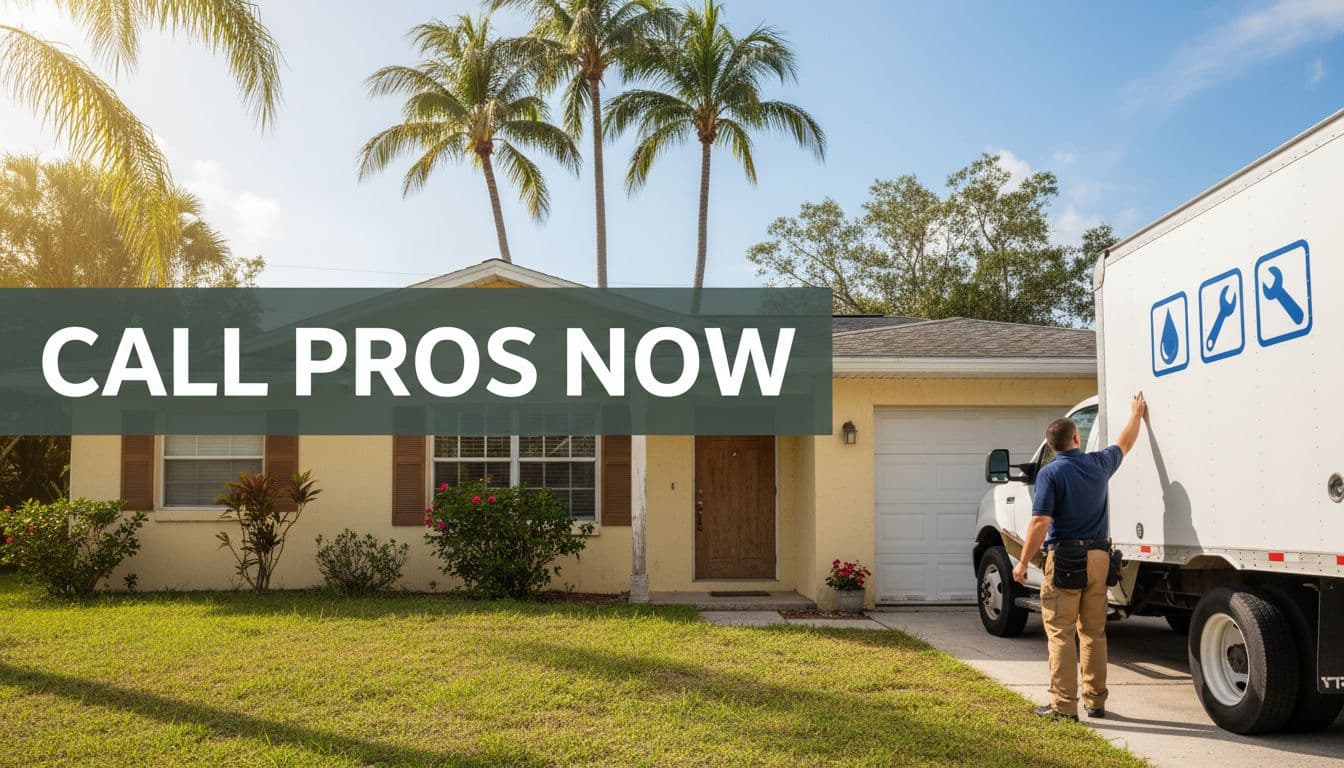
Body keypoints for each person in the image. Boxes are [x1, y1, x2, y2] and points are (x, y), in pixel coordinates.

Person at [1012, 392, 1147, 722]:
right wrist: (1136, 415)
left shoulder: (1050, 474)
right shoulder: (1100, 463)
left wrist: (1022, 560)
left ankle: (1063, 707)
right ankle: (1096, 702)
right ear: (1076, 438)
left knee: (1060, 633)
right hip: (1100, 558)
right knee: (1094, 632)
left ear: (1052, 446)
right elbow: (1124, 444)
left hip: (1066, 560)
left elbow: (1041, 521)